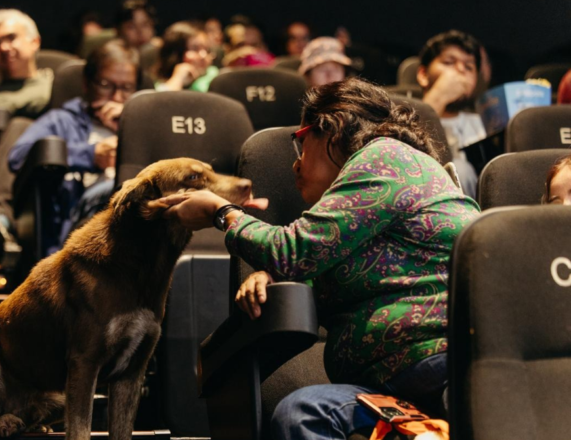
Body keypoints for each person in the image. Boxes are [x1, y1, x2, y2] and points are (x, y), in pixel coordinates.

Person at [157, 78, 480, 439]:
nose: (295, 166)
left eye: (301, 143)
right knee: (304, 413)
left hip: (442, 364)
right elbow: (335, 267)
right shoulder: (370, 204)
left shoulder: (384, 157)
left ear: (333, 127)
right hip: (390, 392)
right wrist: (278, 276)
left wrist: (223, 213)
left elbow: (291, 251)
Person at [0, 40, 139, 254]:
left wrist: (126, 130)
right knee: (120, 190)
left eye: (127, 88)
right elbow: (18, 157)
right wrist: (90, 155)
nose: (116, 97)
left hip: (137, 220)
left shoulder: (141, 126)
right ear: (86, 83)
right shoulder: (62, 121)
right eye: (105, 85)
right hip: (78, 219)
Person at [418, 30, 485, 199]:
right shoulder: (399, 113)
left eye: (469, 66)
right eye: (449, 62)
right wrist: (439, 95)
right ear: (423, 75)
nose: (460, 70)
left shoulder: (484, 124)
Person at [155, 21, 218, 92]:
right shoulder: (161, 85)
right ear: (176, 54)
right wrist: (178, 78)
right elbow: (161, 100)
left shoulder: (216, 76)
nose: (203, 56)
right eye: (195, 49)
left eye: (206, 49)